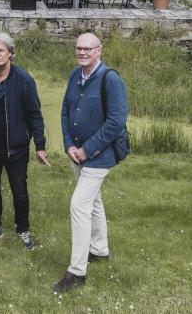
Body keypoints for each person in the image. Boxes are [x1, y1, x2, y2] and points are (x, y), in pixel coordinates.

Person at [53, 32, 128, 293]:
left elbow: (116, 122)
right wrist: (69, 145)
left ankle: (77, 272)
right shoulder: (75, 75)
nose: (82, 52)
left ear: (99, 51)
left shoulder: (110, 79)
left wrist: (88, 150)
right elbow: (64, 111)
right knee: (93, 202)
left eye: (88, 49)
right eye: (78, 48)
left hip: (100, 156)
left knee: (79, 204)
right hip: (76, 153)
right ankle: (100, 249)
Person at [0, 32, 50, 250]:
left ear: (9, 53)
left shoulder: (23, 79)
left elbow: (35, 114)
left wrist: (40, 146)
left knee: (19, 190)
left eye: (1, 51)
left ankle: (23, 229)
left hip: (15, 147)